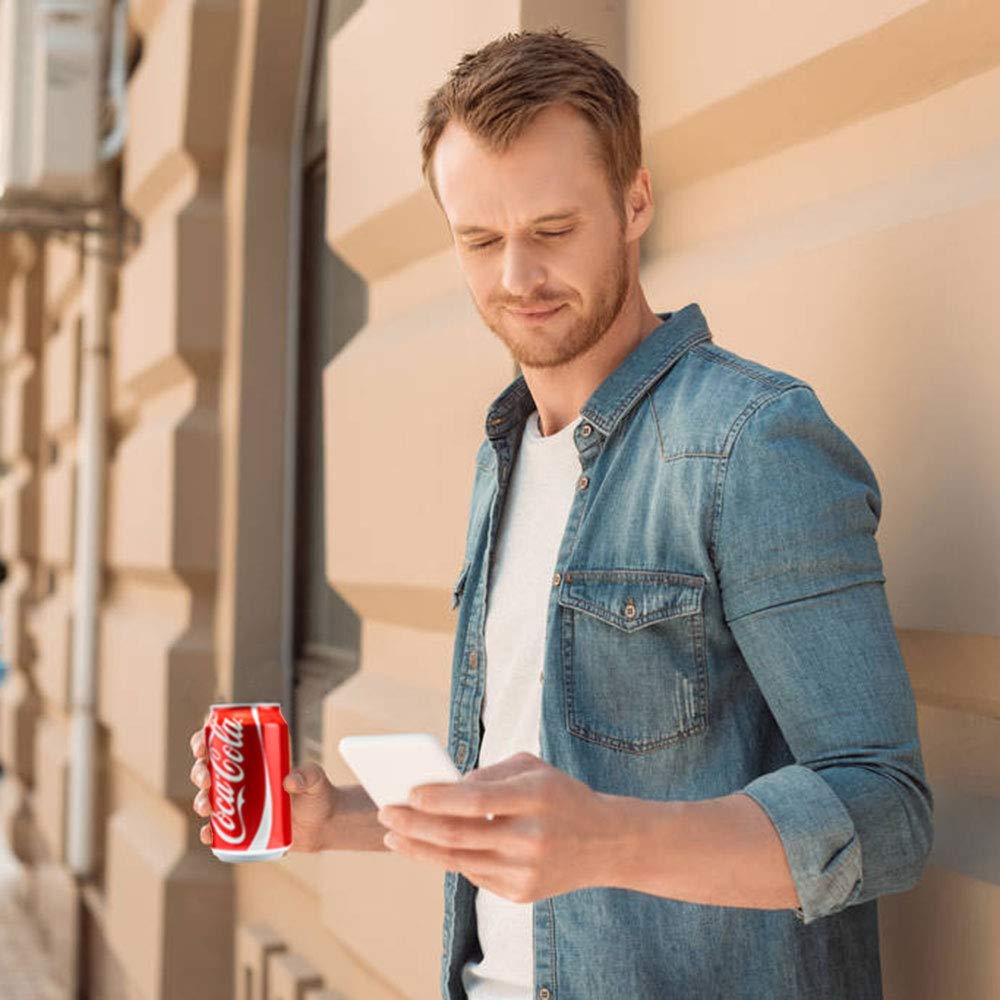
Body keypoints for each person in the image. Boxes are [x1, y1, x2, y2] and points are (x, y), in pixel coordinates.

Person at [191, 27, 933, 1000]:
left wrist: (610, 839)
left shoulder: (751, 442)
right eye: (480, 239)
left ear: (634, 203)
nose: (515, 278)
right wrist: (332, 814)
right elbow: (522, 817)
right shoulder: (506, 454)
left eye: (551, 230)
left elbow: (885, 812)